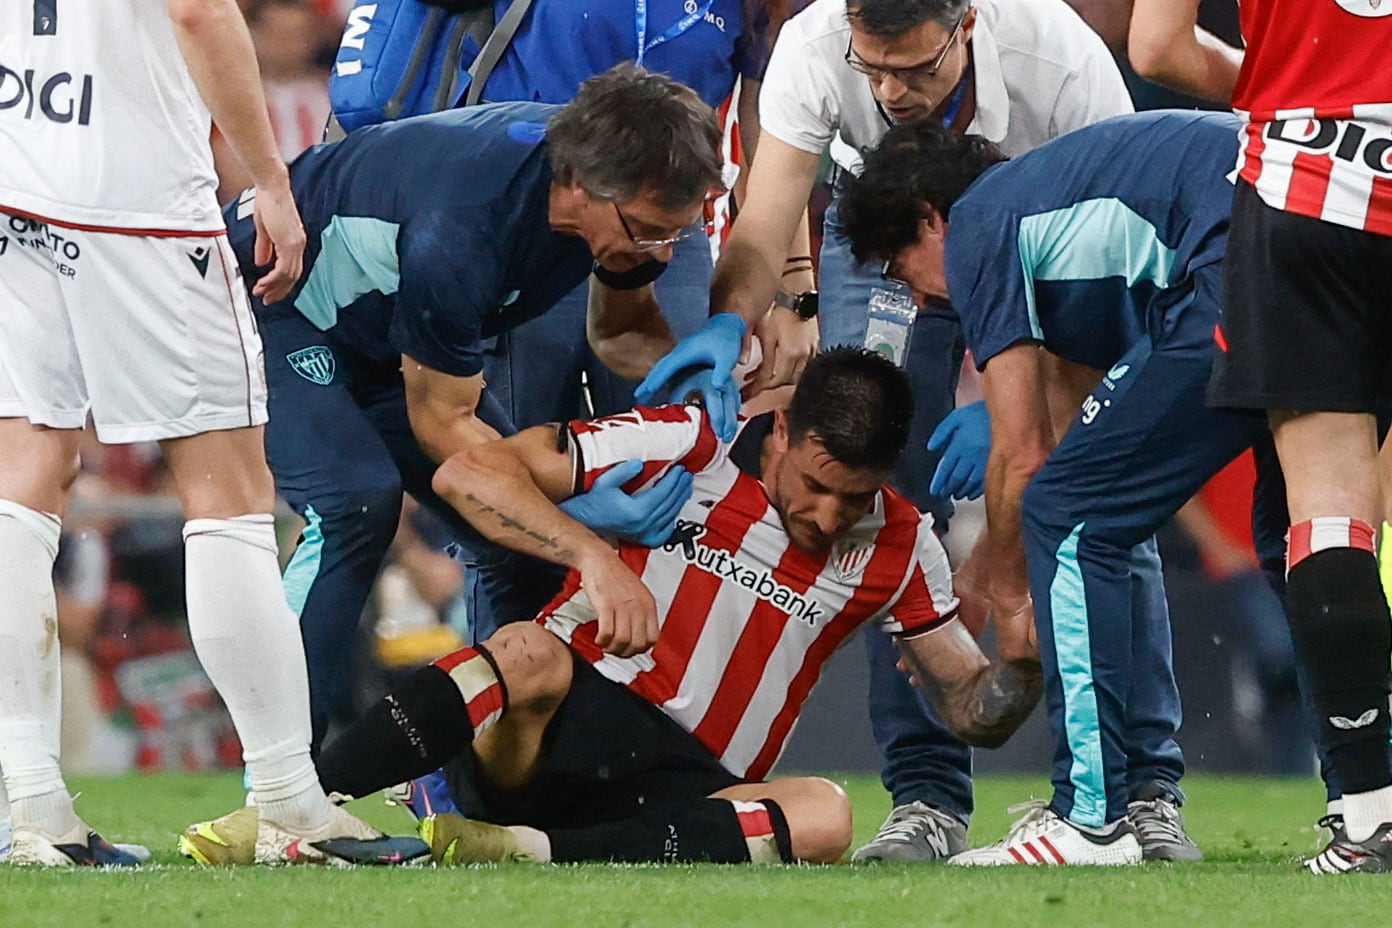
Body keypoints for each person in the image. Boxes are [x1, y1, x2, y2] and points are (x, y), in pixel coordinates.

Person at [640, 0, 1132, 862]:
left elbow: (1116, 262)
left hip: (1061, 239)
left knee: (1093, 484)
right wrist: (736, 321)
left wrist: (1021, 404)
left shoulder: (1060, 65)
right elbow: (764, 215)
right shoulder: (814, 45)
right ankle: (928, 799)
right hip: (892, 230)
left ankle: (1135, 792)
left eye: (916, 68)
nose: (892, 91)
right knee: (878, 485)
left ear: (968, 24)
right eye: (874, 70)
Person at [265, 347, 1039, 867]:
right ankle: (299, 805)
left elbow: (970, 706)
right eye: (817, 485)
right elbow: (468, 475)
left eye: (855, 497)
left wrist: (1021, 668)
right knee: (525, 649)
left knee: (828, 815)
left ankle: (526, 850)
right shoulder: (687, 445)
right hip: (558, 727)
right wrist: (593, 555)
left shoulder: (903, 543)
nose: (832, 517)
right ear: (778, 437)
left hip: (692, 787)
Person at [214, 64, 725, 756]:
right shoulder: (465, 226)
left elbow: (622, 332)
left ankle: (497, 781)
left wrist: (710, 386)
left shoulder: (615, 203)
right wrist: (586, 545)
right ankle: (281, 783)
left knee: (528, 553)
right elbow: (446, 434)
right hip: (268, 299)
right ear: (582, 187)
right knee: (354, 502)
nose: (659, 251)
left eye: (676, 234)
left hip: (379, 330)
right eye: (649, 231)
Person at [0, 0, 381, 865]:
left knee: (24, 473)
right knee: (229, 490)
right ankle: (288, 800)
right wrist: (271, 182)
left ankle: (33, 809)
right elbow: (199, 10)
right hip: (130, 199)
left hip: (15, 167)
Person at [842, 110, 1265, 864]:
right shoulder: (1075, 234)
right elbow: (1084, 423)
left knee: (1074, 513)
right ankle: (1367, 809)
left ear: (930, 220)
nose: (929, 300)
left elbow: (1030, 456)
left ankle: (1092, 817)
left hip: (1244, 258)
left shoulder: (980, 223)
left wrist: (1007, 592)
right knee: (1302, 528)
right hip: (1327, 231)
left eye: (904, 269)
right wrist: (992, 566)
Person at [1206, 0, 1392, 876]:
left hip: (1305, 180)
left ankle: (1369, 819)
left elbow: (1157, 43)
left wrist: (1275, 103)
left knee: (1329, 515)